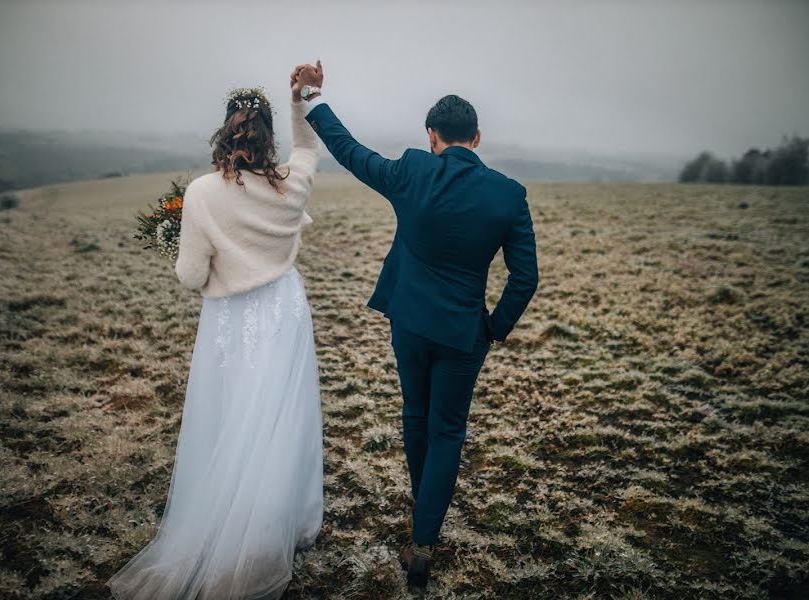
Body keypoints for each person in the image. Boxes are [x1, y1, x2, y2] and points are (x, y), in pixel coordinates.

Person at [291, 60, 538, 591]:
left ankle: (423, 512)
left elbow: (350, 150)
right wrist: (495, 327)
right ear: (476, 137)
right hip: (463, 334)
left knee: (414, 414)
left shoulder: (412, 169)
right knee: (448, 428)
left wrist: (312, 98)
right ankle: (424, 539)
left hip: (408, 322)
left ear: (432, 136)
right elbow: (526, 276)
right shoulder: (508, 194)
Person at [106, 81, 323, 600]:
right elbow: (310, 147)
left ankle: (228, 515)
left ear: (225, 133)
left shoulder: (202, 193)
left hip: (230, 316)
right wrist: (299, 101)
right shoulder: (290, 185)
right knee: (279, 415)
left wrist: (196, 250)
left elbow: (189, 274)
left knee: (230, 415)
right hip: (284, 311)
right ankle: (279, 523)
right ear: (268, 139)